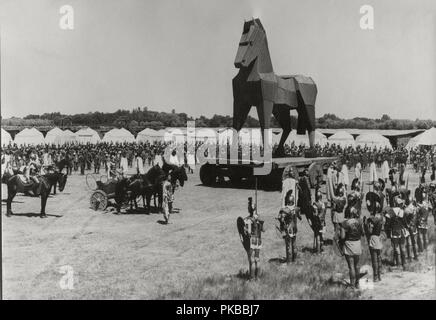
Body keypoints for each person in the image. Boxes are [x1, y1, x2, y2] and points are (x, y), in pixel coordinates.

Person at [340, 206, 364, 288]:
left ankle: (352, 285)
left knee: (351, 266)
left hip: (349, 244)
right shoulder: (359, 222)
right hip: (357, 243)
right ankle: (357, 283)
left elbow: (342, 237)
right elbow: (362, 233)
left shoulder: (345, 223)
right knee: (357, 265)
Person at [277, 191, 302, 263]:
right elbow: (300, 217)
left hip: (288, 229)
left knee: (288, 246)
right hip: (294, 229)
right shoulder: (296, 209)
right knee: (294, 244)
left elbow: (281, 219)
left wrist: (281, 218)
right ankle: (295, 259)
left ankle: (289, 261)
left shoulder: (285, 210)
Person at [243, 197, 264, 280]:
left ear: (249, 210)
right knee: (257, 259)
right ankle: (258, 278)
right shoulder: (259, 218)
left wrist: (244, 229)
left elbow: (247, 232)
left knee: (251, 260)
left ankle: (251, 278)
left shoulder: (247, 220)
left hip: (251, 240)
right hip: (258, 240)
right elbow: (263, 229)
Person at [384, 197, 408, 270]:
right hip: (402, 231)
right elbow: (405, 223)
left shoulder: (391, 211)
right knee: (403, 248)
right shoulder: (402, 211)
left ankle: (398, 264)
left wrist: (387, 231)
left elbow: (387, 223)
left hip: (394, 231)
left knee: (396, 248)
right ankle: (404, 264)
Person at [363, 209, 384, 282]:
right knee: (379, 258)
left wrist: (366, 225)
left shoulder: (372, 220)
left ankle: (375, 277)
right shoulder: (380, 218)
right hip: (378, 238)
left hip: (373, 239)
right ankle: (379, 275)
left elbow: (370, 231)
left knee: (374, 260)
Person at [310, 188, 327, 253]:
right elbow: (323, 213)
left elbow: (315, 214)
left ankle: (318, 251)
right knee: (322, 236)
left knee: (318, 236)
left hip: (317, 222)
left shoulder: (315, 204)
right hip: (323, 222)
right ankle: (321, 249)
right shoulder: (323, 204)